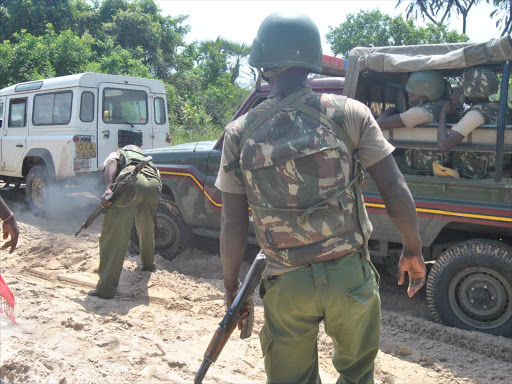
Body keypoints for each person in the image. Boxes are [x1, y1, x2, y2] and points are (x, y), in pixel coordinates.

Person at [216, 12, 426, 384]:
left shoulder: (239, 133)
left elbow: (232, 221)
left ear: (264, 65)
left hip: (286, 280)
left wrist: (233, 286)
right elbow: (395, 189)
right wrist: (412, 249)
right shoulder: (350, 113)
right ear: (312, 60)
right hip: (349, 275)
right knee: (358, 375)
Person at [88, 142, 161, 299]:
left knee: (114, 233)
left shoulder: (119, 153)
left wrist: (108, 188)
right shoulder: (146, 159)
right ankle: (148, 266)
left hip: (132, 181)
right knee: (146, 227)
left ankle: (105, 289)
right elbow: (154, 183)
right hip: (154, 184)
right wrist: (153, 218)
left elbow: (111, 163)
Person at [377, 71, 451, 174]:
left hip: (421, 168)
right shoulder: (440, 105)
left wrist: (390, 110)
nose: (409, 96)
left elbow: (380, 124)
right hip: (436, 163)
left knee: (378, 163)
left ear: (425, 96)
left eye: (412, 94)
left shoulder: (421, 112)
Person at [437, 66, 501, 179]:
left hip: (474, 172)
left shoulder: (476, 114)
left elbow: (443, 145)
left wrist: (443, 113)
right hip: (494, 166)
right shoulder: (499, 108)